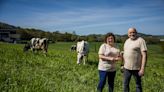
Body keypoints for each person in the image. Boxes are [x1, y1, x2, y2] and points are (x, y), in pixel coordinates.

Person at [123, 28, 147, 92]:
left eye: (133, 32)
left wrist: (142, 69)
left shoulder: (141, 40)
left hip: (137, 68)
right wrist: (122, 64)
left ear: (136, 33)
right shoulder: (126, 41)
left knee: (138, 85)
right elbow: (125, 53)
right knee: (125, 84)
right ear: (128, 34)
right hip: (126, 68)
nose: (132, 34)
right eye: (130, 33)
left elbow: (144, 55)